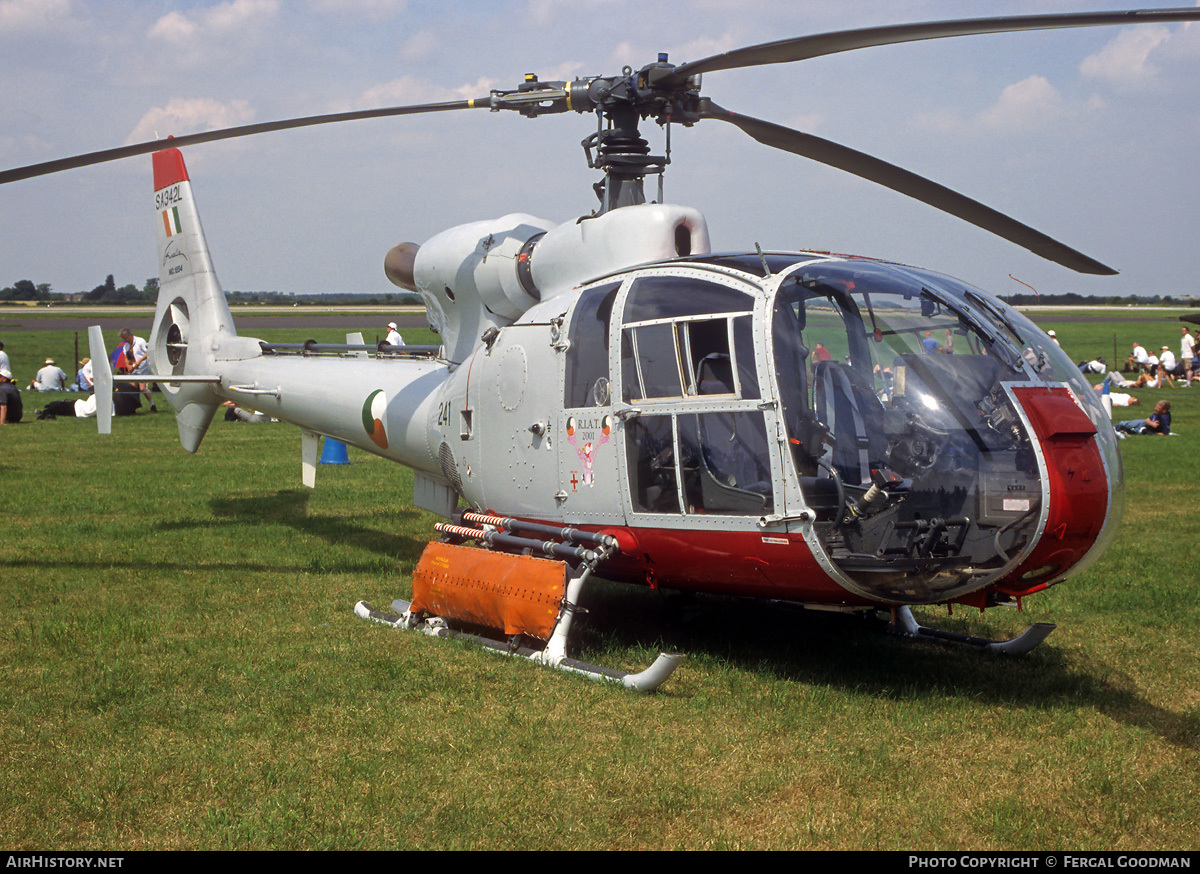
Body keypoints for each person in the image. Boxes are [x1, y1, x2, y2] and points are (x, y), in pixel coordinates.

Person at [119, 328, 155, 411]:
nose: (125, 340)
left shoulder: (140, 341)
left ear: (130, 335)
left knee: (142, 388)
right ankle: (132, 407)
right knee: (132, 388)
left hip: (143, 368)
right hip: (134, 370)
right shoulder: (126, 345)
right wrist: (128, 366)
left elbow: (148, 352)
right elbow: (126, 357)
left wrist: (139, 360)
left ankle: (152, 404)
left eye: (125, 338)